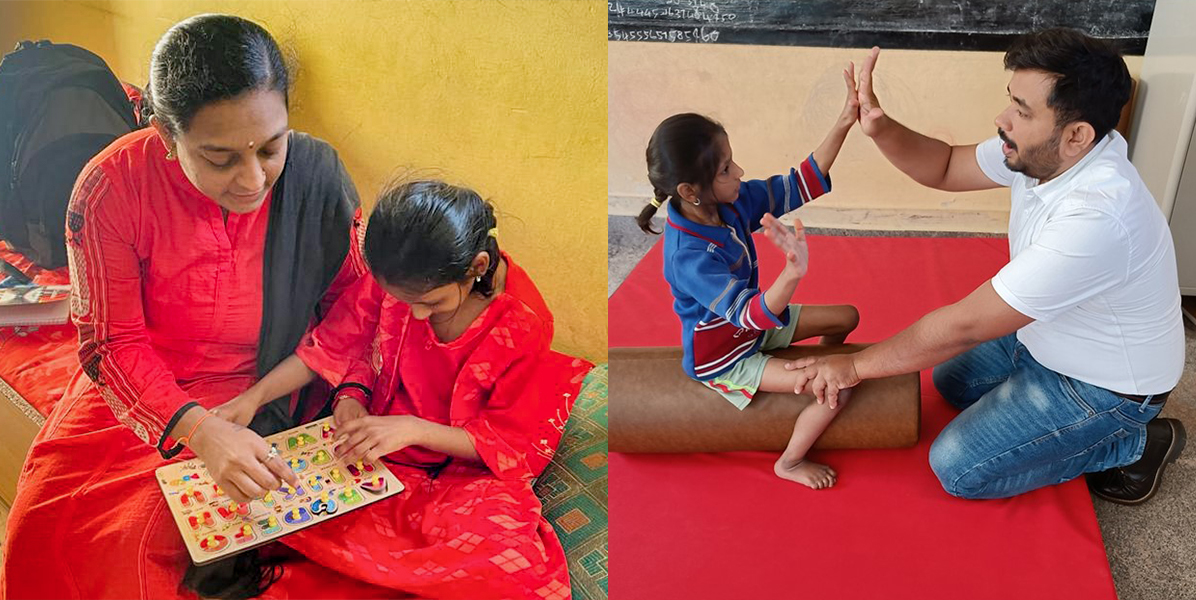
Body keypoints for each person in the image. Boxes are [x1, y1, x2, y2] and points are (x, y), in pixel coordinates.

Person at [1, 14, 369, 599]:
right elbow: (110, 344)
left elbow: (354, 302)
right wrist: (198, 432)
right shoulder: (109, 187)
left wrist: (346, 394)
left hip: (269, 379)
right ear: (166, 137)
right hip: (144, 385)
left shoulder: (317, 174)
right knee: (51, 541)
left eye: (271, 147)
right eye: (220, 158)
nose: (253, 180)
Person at [789, 29, 1187, 503]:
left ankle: (1137, 442)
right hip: (1044, 337)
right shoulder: (1048, 154)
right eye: (1010, 102)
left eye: (1021, 111)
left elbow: (965, 325)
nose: (1002, 120)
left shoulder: (1097, 216)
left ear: (1076, 135)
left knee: (960, 470)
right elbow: (945, 166)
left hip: (1106, 386)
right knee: (949, 380)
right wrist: (880, 127)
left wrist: (851, 367)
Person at [214, 178, 588, 598]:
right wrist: (298, 397)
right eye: (402, 299)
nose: (415, 314)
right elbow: (335, 346)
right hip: (381, 450)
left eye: (432, 303)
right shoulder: (397, 277)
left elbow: (510, 441)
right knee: (270, 504)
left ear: (478, 266)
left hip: (465, 470)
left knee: (507, 568)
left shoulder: (522, 322)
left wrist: (414, 429)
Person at [638, 63, 862, 489]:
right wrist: (793, 272)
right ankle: (791, 461)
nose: (738, 172)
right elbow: (749, 316)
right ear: (689, 191)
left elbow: (801, 182)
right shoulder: (688, 256)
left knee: (846, 317)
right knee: (840, 387)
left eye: (731, 162)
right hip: (726, 355)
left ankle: (814, 375)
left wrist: (845, 120)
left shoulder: (729, 202)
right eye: (725, 169)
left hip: (755, 330)